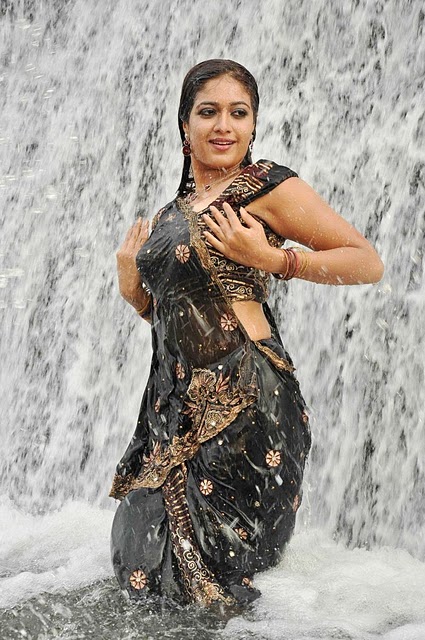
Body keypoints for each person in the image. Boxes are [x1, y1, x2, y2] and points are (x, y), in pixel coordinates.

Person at [109, 59, 384, 607]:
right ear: (185, 126)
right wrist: (134, 293)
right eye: (208, 112)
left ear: (254, 125)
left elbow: (366, 261)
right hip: (175, 415)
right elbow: (178, 317)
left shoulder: (266, 186)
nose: (223, 126)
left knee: (208, 579)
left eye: (239, 113)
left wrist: (275, 259)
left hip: (244, 405)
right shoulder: (172, 212)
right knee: (140, 561)